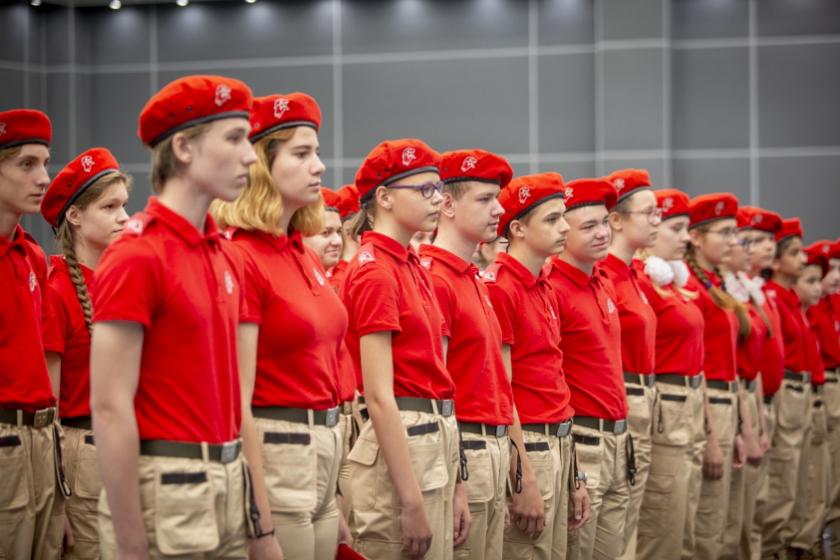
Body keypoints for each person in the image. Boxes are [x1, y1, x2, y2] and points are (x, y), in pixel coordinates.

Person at [90, 75, 274, 558]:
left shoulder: (223, 255)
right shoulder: (136, 255)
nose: (250, 157)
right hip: (166, 491)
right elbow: (109, 408)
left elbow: (234, 401)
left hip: (228, 485)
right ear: (184, 147)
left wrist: (261, 526)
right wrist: (131, 544)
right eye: (234, 138)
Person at [213, 92, 350, 559]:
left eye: (317, 152)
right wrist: (260, 518)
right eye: (302, 153)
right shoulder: (242, 256)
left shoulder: (298, 252)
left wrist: (334, 493)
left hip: (324, 450)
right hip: (278, 453)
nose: (320, 166)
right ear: (260, 164)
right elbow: (238, 399)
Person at [339, 139, 465, 559]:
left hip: (432, 433)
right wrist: (410, 502)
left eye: (438, 188)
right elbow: (379, 395)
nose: (437, 199)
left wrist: (457, 482)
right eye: (424, 189)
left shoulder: (409, 265)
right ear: (385, 197)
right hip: (406, 438)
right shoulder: (376, 271)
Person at [484, 171, 589, 559]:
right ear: (517, 229)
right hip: (530, 444)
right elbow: (503, 390)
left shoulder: (543, 284)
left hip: (558, 442)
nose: (565, 227)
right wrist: (522, 476)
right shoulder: (501, 287)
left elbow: (556, 381)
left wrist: (574, 471)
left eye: (564, 217)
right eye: (552, 219)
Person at [419, 149, 516, 559]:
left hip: (489, 449)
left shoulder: (471, 278)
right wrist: (457, 479)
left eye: (497, 199)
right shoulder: (437, 279)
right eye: (485, 199)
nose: (499, 210)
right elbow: (438, 394)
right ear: (447, 205)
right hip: (465, 450)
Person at [40, 147, 131, 559]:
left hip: (130, 448)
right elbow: (50, 406)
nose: (124, 217)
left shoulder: (122, 280)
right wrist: (56, 499)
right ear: (75, 216)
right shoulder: (56, 289)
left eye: (124, 205)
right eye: (109, 207)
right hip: (85, 454)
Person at [544, 177, 629, 560]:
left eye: (605, 222)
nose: (602, 233)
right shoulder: (553, 288)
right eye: (589, 226)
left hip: (617, 438)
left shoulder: (602, 282)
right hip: (584, 438)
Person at [0, 108, 66, 559]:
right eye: (26, 164)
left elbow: (44, 361)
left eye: (44, 162)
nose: (43, 177)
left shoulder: (32, 256)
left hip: (44, 438)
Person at [633, 189, 706, 560]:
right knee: (663, 520)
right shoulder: (644, 282)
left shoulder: (675, 284)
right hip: (666, 402)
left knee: (686, 516)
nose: (684, 238)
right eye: (674, 228)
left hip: (688, 401)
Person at [683, 193, 747, 560]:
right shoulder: (691, 286)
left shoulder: (713, 282)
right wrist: (711, 433)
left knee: (721, 518)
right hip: (709, 403)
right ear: (696, 237)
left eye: (734, 233)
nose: (733, 242)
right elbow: (698, 365)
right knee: (705, 519)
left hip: (727, 400)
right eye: (724, 233)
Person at [601, 169, 660, 560]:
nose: (657, 221)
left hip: (643, 399)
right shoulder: (605, 275)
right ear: (617, 220)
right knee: (618, 528)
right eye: (649, 213)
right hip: (621, 396)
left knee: (633, 518)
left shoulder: (632, 275)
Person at [718, 208, 771, 560]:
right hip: (725, 401)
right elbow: (727, 365)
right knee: (722, 518)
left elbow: (755, 363)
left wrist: (758, 420)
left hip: (745, 397)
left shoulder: (742, 291)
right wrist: (746, 425)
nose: (743, 246)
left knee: (746, 509)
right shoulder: (716, 293)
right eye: (741, 239)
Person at [761, 217, 812, 558]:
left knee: (798, 474)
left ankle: (788, 544)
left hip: (799, 389)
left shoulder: (789, 297)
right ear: (777, 263)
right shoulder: (772, 296)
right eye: (794, 253)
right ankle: (775, 548)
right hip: (782, 390)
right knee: (781, 475)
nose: (803, 259)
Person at [785, 242, 834, 558]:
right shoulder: (786, 306)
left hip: (808, 394)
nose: (820, 286)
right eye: (810, 280)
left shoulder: (802, 313)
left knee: (815, 486)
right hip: (790, 396)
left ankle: (810, 547)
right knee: (789, 489)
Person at [805, 240, 840, 557]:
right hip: (821, 387)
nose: (836, 277)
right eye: (833, 269)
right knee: (820, 478)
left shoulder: (831, 304)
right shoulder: (811, 307)